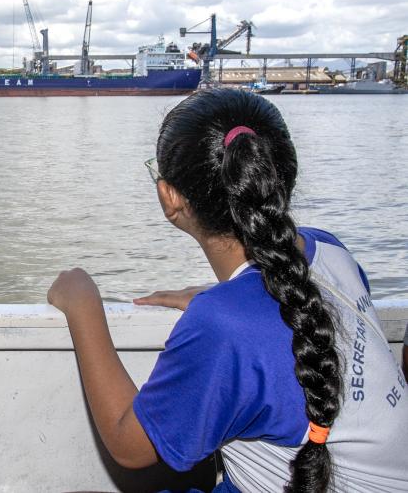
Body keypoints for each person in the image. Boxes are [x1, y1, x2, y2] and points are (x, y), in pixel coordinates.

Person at [47, 88, 408, 491]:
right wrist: (222, 300)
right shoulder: (329, 248)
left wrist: (83, 305)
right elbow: (281, 314)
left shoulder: (226, 325)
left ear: (169, 197)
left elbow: (130, 446)